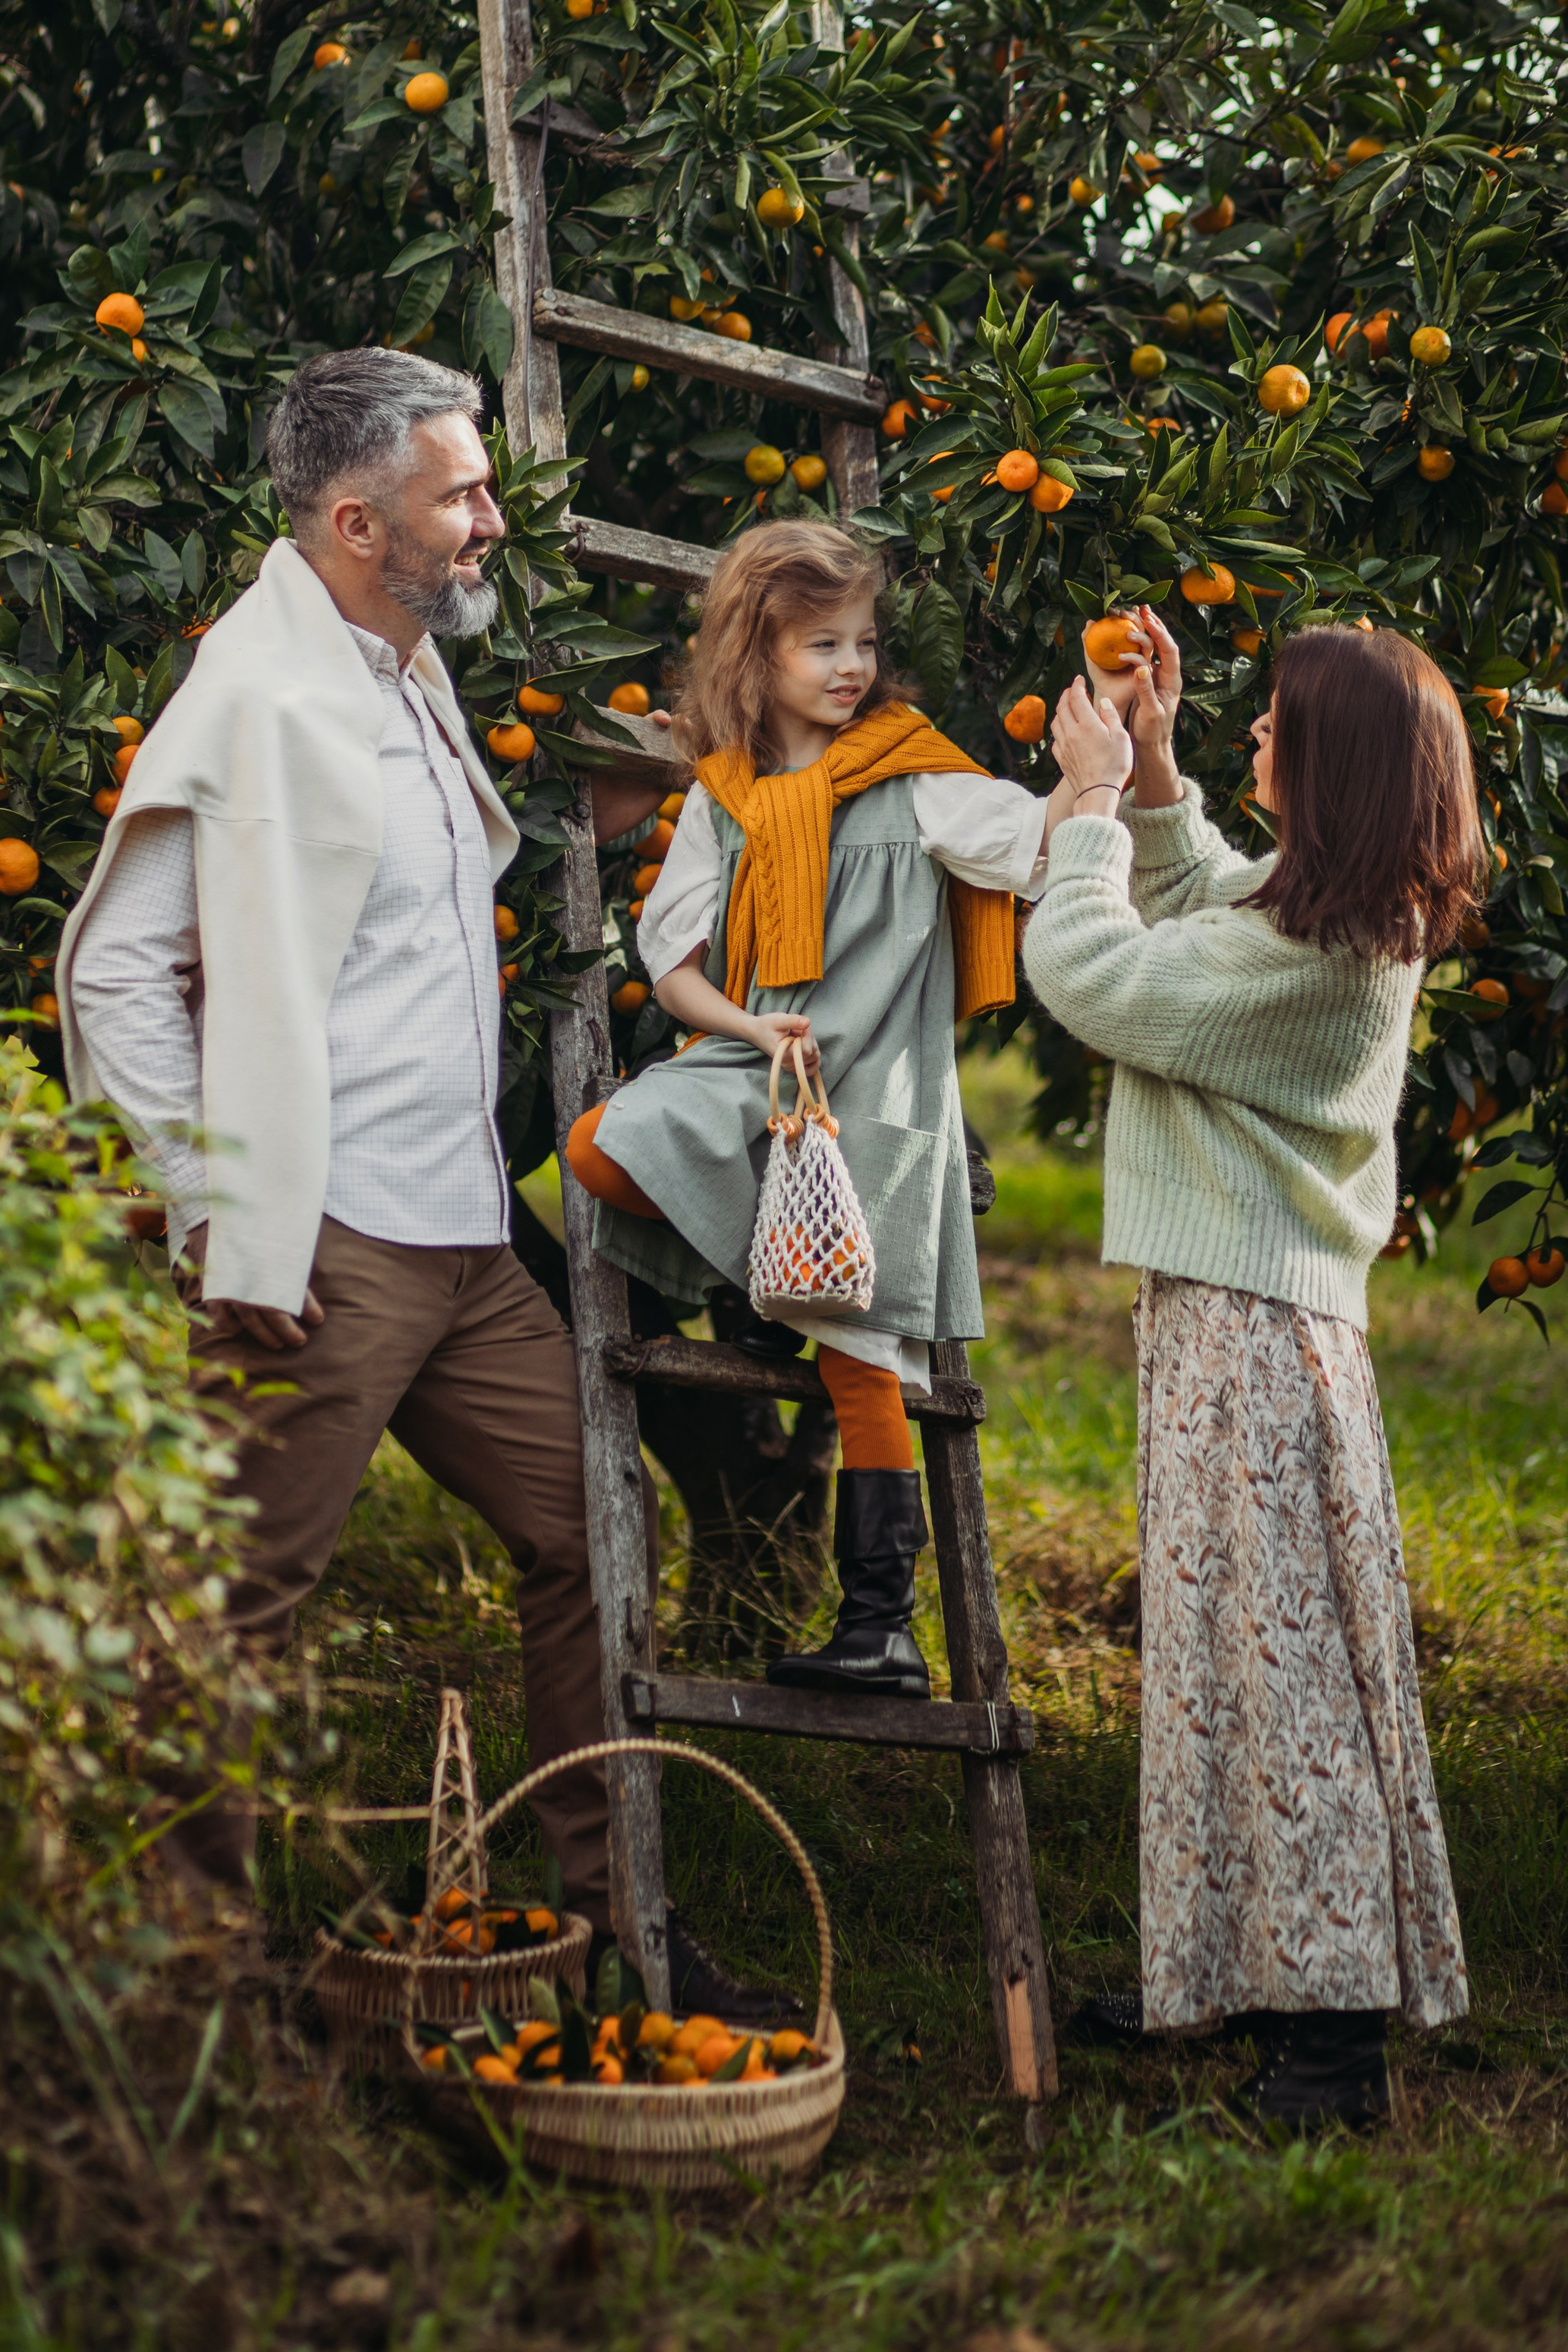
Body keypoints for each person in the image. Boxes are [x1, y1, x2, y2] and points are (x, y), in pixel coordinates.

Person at [56, 349, 760, 2012]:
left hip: (459, 1244)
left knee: (587, 1533)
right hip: (328, 1242)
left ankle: (612, 1918)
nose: (490, 519)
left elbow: (401, 911)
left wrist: (604, 800)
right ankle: (183, 1977)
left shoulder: (395, 668)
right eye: (461, 493)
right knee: (236, 1594)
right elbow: (113, 974)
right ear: (361, 519)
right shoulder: (255, 694)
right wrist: (213, 1208)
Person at [1023, 612, 1474, 2129]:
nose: (1252, 742)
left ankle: (1331, 2043)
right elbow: (1202, 896)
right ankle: (1224, 1977)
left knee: (1283, 1689)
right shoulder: (1323, 914)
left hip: (1253, 1335)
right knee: (1224, 1666)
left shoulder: (1322, 955)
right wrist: (1147, 769)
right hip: (1237, 1321)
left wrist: (1079, 808)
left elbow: (1102, 978)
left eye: (1274, 730)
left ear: (1328, 767)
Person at [562, 518, 1085, 1696]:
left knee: (865, 1357)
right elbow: (671, 954)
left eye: (863, 642)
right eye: (820, 646)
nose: (852, 668)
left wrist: (1097, 766)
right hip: (762, 1065)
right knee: (605, 1145)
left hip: (875, 1090)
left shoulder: (919, 782)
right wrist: (748, 1027)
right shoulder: (726, 798)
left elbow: (1038, 846)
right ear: (759, 655)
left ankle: (881, 1627)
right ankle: (764, 1292)